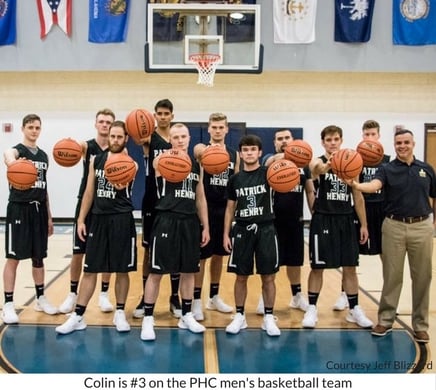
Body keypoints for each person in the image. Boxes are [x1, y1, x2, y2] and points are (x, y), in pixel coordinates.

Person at [347, 129, 435, 343]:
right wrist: (357, 185)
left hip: (422, 226)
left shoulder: (426, 169)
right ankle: (385, 320)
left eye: (406, 142)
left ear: (413, 143)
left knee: (423, 278)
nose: (402, 146)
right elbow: (374, 186)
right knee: (392, 277)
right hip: (393, 226)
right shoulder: (387, 169)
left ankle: (420, 325)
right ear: (394, 146)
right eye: (398, 143)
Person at [55, 121, 138, 334]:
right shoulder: (95, 160)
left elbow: (126, 186)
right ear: (108, 137)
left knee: (122, 269)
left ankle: (120, 312)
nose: (116, 140)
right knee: (90, 269)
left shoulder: (131, 163)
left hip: (121, 219)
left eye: (120, 137)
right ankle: (78, 315)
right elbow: (89, 192)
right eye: (113, 136)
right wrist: (81, 220)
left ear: (126, 139)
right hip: (98, 220)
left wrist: (121, 184)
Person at [140, 123, 210, 341]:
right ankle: (148, 319)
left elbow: (200, 197)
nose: (180, 140)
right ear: (169, 139)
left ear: (189, 139)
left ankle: (187, 315)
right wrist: (173, 157)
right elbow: (156, 164)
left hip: (189, 221)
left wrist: (205, 225)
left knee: (189, 271)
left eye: (183, 136)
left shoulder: (196, 166)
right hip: (166, 219)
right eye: (176, 137)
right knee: (157, 272)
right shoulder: (161, 161)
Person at [302, 125, 373, 329]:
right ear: (323, 142)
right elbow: (317, 170)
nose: (332, 143)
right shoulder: (317, 161)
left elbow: (358, 196)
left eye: (336, 139)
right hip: (323, 218)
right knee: (318, 267)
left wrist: (364, 224)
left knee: (350, 267)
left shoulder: (352, 163)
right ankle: (312, 309)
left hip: (346, 218)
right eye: (329, 140)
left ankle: (354, 309)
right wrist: (331, 164)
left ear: (341, 140)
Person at [1, 114, 58, 324]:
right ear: (23, 128)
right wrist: (13, 162)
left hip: (39, 210)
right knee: (14, 257)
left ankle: (41, 297)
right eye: (31, 127)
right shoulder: (18, 151)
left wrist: (49, 216)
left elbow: (45, 188)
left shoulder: (43, 156)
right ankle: (8, 304)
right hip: (19, 209)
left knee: (38, 257)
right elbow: (8, 154)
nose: (34, 131)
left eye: (37, 127)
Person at [59, 108, 115, 314]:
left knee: (107, 254)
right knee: (78, 252)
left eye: (108, 122)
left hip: (107, 206)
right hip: (86, 204)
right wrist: (66, 145)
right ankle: (72, 294)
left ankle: (104, 294)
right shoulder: (86, 147)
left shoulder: (118, 150)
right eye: (101, 121)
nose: (105, 125)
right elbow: (71, 148)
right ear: (95, 123)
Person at [223, 134, 281, 337]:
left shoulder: (269, 174)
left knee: (268, 277)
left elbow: (281, 161)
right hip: (241, 230)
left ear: (260, 152)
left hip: (266, 228)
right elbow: (230, 208)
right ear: (240, 153)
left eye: (252, 150)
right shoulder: (235, 179)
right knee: (241, 276)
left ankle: (268, 316)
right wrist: (226, 233)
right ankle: (240, 315)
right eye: (245, 150)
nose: (249, 153)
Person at [133, 98, 182, 319]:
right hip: (152, 199)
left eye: (166, 113)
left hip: (174, 199)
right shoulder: (147, 139)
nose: (163, 117)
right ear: (154, 115)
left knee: (175, 248)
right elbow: (130, 130)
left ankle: (174, 297)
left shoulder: (176, 139)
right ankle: (146, 297)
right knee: (148, 250)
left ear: (172, 115)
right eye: (159, 113)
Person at [334, 120, 390, 311]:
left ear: (379, 136)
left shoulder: (387, 160)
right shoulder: (354, 159)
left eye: (373, 134)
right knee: (350, 255)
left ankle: (387, 296)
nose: (370, 138)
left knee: (386, 255)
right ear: (362, 136)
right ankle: (344, 294)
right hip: (359, 209)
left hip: (382, 210)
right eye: (366, 135)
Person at [256, 129, 315, 314]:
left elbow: (310, 190)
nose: (283, 141)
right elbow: (265, 164)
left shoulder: (303, 166)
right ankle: (264, 296)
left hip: (295, 220)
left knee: (295, 261)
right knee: (270, 262)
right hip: (272, 220)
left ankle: (297, 296)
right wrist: (284, 155)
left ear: (293, 140)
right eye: (280, 139)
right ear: (274, 143)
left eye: (287, 138)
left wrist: (315, 213)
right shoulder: (270, 160)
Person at [191, 112, 240, 321]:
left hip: (224, 209)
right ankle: (195, 301)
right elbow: (197, 151)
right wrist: (208, 151)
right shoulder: (201, 149)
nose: (218, 130)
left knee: (219, 255)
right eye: (214, 127)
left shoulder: (234, 154)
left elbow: (236, 183)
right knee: (202, 257)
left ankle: (214, 296)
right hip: (205, 208)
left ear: (227, 129)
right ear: (209, 129)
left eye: (221, 127)